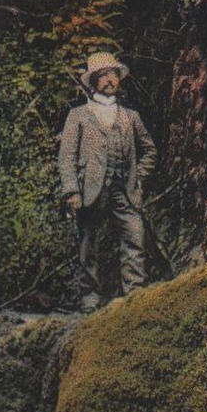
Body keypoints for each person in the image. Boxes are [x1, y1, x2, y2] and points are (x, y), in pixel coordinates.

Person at [57, 50, 157, 310]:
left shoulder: (130, 116)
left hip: (125, 190)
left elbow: (150, 150)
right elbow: (66, 157)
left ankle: (135, 296)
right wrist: (71, 191)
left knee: (135, 237)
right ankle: (90, 298)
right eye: (102, 76)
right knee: (88, 244)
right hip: (90, 191)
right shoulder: (78, 116)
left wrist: (139, 176)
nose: (109, 80)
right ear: (93, 82)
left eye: (113, 74)